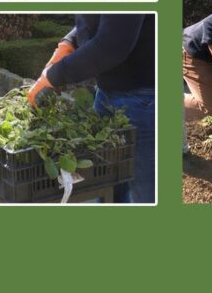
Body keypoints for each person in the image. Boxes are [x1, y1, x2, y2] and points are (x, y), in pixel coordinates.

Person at [28, 14, 155, 204]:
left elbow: (111, 45)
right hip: (105, 94)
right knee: (107, 185)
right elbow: (95, 20)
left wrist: (53, 76)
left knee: (145, 193)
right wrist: (68, 43)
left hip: (145, 100)